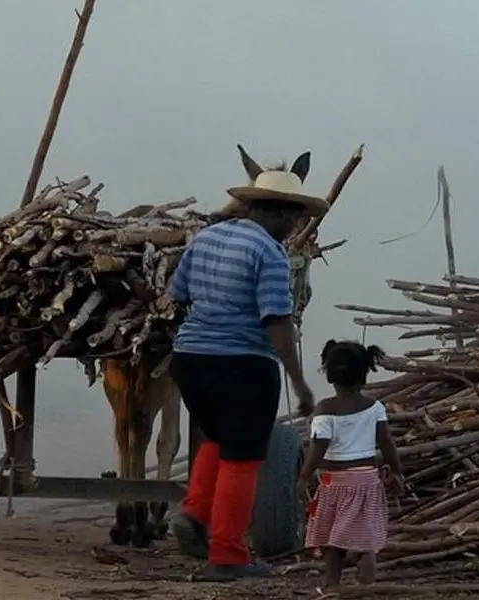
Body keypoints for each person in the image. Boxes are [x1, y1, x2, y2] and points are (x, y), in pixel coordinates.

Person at [166, 150, 327, 582]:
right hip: (242, 364)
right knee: (243, 458)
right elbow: (276, 321)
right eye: (291, 214)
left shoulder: (205, 238)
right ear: (270, 210)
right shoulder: (271, 254)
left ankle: (195, 512)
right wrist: (298, 381)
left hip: (190, 360)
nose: (294, 224)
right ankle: (228, 554)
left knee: (217, 439)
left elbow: (176, 292)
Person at [298, 339, 404, 589]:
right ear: (365, 375)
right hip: (367, 480)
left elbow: (318, 448)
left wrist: (304, 475)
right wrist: (397, 471)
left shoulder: (324, 409)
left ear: (329, 376)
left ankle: (330, 587)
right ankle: (365, 586)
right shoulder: (374, 407)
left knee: (333, 543)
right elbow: (386, 442)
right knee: (365, 543)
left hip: (333, 483)